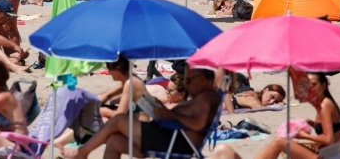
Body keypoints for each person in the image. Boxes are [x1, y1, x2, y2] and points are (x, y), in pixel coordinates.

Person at [63, 66, 221, 158]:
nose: (186, 85)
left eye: (188, 81)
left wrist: (170, 114)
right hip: (169, 136)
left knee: (118, 121)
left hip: (174, 142)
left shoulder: (205, 99)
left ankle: (82, 153)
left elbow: (197, 123)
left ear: (201, 80)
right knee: (114, 141)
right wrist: (162, 108)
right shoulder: (203, 97)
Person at [252, 73, 340, 158]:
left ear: (323, 86)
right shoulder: (326, 103)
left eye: (313, 84)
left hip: (328, 157)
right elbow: (332, 128)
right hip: (329, 153)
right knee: (285, 144)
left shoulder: (325, 105)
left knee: (279, 142)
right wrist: (311, 123)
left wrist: (303, 135)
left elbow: (328, 139)